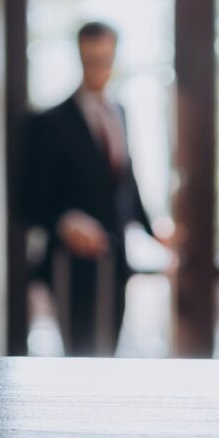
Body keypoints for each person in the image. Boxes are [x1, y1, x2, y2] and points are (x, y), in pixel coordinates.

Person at [22, 21, 162, 356]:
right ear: (80, 58)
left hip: (115, 257)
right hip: (71, 262)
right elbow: (27, 197)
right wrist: (65, 221)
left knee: (110, 353)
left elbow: (125, 180)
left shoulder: (120, 112)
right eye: (91, 60)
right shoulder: (50, 123)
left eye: (105, 59)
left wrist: (152, 230)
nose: (99, 68)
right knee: (79, 356)